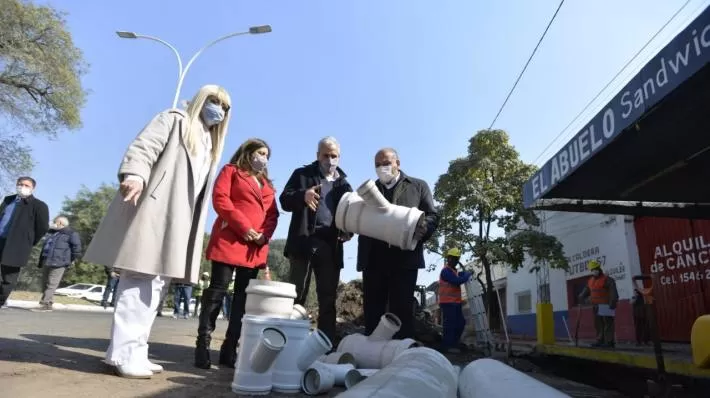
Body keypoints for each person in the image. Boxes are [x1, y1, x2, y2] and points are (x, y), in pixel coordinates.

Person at [82, 85, 232, 379]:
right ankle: (122, 354)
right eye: (214, 102)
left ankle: (137, 349)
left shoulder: (208, 141)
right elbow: (144, 147)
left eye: (225, 107)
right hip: (157, 209)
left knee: (158, 285)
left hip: (181, 220)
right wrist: (135, 174)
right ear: (201, 100)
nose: (219, 110)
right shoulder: (175, 119)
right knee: (140, 281)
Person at [195, 138, 279, 369]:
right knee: (216, 292)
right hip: (230, 239)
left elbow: (273, 215)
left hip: (254, 248)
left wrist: (264, 235)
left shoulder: (268, 186)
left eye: (267, 155)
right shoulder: (231, 171)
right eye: (260, 153)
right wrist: (244, 228)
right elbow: (221, 200)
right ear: (248, 152)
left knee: (243, 299)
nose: (263, 158)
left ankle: (230, 348)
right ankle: (202, 345)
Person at [357, 148, 439, 340]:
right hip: (374, 260)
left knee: (401, 311)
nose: (381, 168)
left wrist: (424, 228)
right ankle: (371, 358)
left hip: (404, 260)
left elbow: (433, 215)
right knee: (373, 311)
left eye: (386, 163)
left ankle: (400, 357)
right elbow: (358, 218)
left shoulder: (418, 186)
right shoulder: (368, 191)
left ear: (397, 163)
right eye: (377, 165)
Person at [280, 136, 353, 345]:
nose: (330, 160)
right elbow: (284, 200)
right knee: (295, 295)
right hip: (303, 241)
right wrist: (303, 196)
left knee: (327, 299)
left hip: (330, 246)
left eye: (334, 156)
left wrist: (347, 234)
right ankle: (290, 343)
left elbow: (352, 216)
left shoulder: (345, 185)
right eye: (326, 155)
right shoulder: (302, 175)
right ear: (317, 155)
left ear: (339, 157)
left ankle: (325, 346)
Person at [0, 176, 50, 307]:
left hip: (16, 246)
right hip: (0, 240)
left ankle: (1, 300)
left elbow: (43, 227)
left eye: (26, 185)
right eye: (20, 184)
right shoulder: (8, 200)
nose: (22, 187)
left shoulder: (39, 206)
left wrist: (29, 241)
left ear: (33, 188)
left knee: (8, 277)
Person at [34, 216, 82, 312]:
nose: (53, 223)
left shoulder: (71, 234)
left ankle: (44, 304)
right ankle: (48, 304)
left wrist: (70, 260)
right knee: (45, 284)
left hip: (59, 263)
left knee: (52, 284)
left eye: (55, 222)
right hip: (47, 261)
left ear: (60, 223)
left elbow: (77, 249)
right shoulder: (53, 233)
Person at [438, 248, 472, 353]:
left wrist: (466, 273)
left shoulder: (453, 271)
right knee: (450, 324)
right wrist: (467, 275)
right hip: (447, 303)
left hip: (455, 303)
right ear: (448, 258)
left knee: (461, 323)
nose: (453, 260)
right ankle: (447, 346)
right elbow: (456, 281)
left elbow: (458, 276)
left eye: (456, 259)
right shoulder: (445, 271)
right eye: (452, 258)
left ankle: (454, 343)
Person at [578, 260, 619, 348]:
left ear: (599, 269)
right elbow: (587, 290)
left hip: (606, 305)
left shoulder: (607, 279)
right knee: (598, 324)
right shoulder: (590, 281)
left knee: (608, 323)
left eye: (595, 269)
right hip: (595, 305)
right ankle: (600, 340)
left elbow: (613, 292)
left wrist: (613, 302)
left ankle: (609, 342)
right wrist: (581, 296)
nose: (594, 271)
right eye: (592, 269)